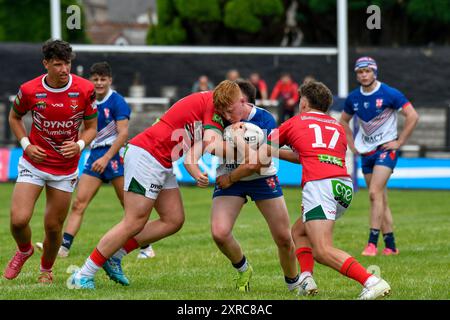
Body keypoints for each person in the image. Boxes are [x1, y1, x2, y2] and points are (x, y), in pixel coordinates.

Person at [69, 80, 244, 289]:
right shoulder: (214, 106)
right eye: (230, 110)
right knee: (134, 221)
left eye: (234, 110)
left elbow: (192, 153)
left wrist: (197, 172)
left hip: (162, 159)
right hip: (147, 155)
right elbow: (213, 144)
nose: (231, 115)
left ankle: (115, 254)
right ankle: (83, 274)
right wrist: (249, 152)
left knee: (173, 219)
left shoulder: (215, 104)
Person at [234, 81, 391, 299]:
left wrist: (240, 138)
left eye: (300, 100)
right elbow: (305, 155)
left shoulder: (297, 121)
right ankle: (306, 279)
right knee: (299, 231)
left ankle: (371, 281)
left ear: (305, 102)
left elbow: (260, 146)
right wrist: (273, 151)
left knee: (322, 250)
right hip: (342, 187)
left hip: (320, 185)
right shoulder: (335, 125)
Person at [184, 80, 302, 294]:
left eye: (230, 111)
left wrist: (232, 173)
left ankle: (293, 283)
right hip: (229, 177)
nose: (227, 117)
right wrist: (196, 169)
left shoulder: (265, 119)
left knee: (284, 238)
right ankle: (244, 269)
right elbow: (206, 147)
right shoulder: (218, 117)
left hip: (260, 179)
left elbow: (261, 163)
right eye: (223, 113)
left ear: (242, 101)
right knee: (219, 233)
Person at [35, 61, 155, 260]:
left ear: (109, 80)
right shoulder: (85, 99)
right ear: (90, 80)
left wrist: (107, 158)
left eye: (103, 79)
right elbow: (83, 129)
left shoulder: (117, 101)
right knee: (78, 204)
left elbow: (123, 134)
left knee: (129, 207)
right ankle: (63, 247)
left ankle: (146, 246)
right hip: (94, 156)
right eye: (95, 79)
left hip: (115, 156)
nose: (99, 83)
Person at [4, 39, 98, 284]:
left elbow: (91, 127)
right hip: (33, 164)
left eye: (67, 63)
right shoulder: (29, 90)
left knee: (54, 227)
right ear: (45, 64)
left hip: (65, 169)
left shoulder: (86, 89)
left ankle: (46, 270)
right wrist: (26, 145)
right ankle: (24, 250)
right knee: (18, 220)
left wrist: (79, 145)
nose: (64, 69)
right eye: (57, 64)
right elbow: (14, 118)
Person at [340, 57, 419, 256]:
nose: (364, 75)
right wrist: (352, 145)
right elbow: (343, 121)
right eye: (360, 72)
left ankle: (372, 243)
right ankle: (391, 246)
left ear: (375, 72)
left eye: (367, 71)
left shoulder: (389, 93)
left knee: (374, 194)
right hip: (367, 153)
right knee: (380, 198)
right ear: (356, 75)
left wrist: (399, 142)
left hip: (386, 150)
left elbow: (413, 115)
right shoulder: (353, 98)